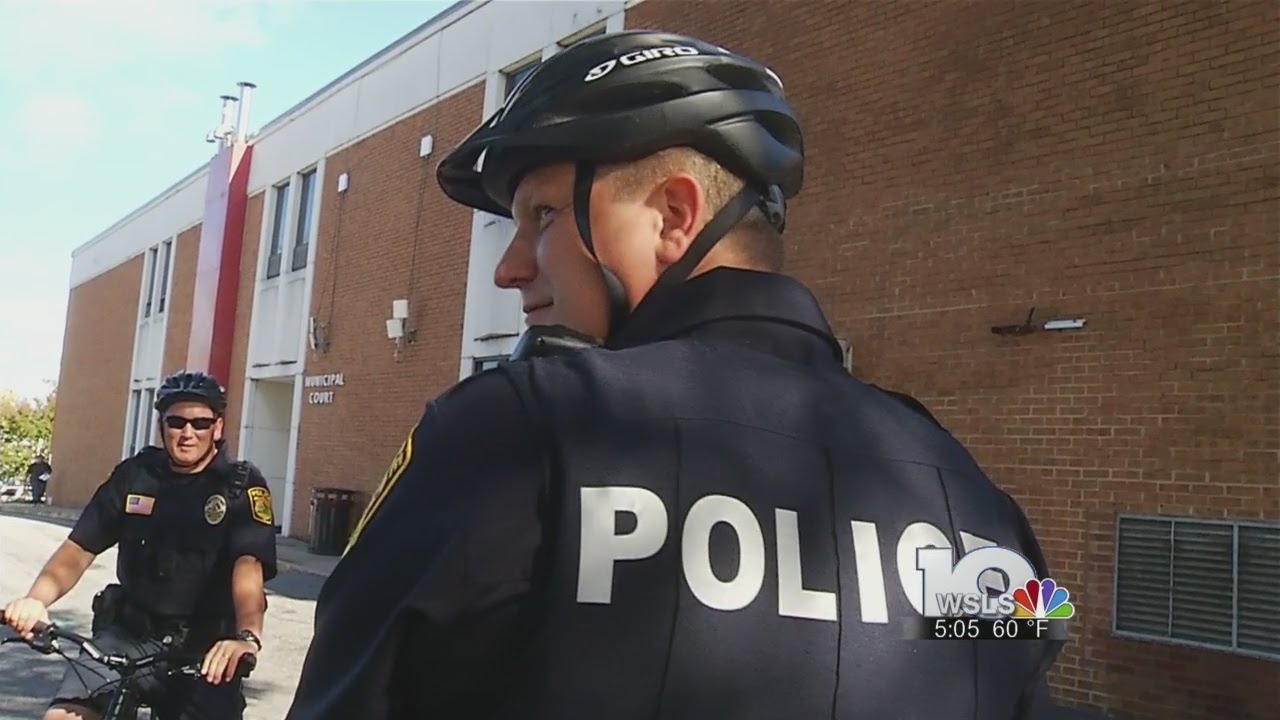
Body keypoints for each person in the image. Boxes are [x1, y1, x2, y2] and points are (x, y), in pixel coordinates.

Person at [285, 29, 1091, 720]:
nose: (511, 268)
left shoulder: (512, 434)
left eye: (543, 216)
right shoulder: (974, 497)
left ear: (673, 216)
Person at [3, 370, 278, 720]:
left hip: (204, 650)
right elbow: (78, 549)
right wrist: (34, 600)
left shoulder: (239, 487)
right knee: (64, 717)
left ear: (218, 428)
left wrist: (247, 638)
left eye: (201, 423)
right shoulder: (135, 476)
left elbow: (248, 568)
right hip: (127, 637)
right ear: (161, 426)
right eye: (177, 422)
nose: (188, 433)